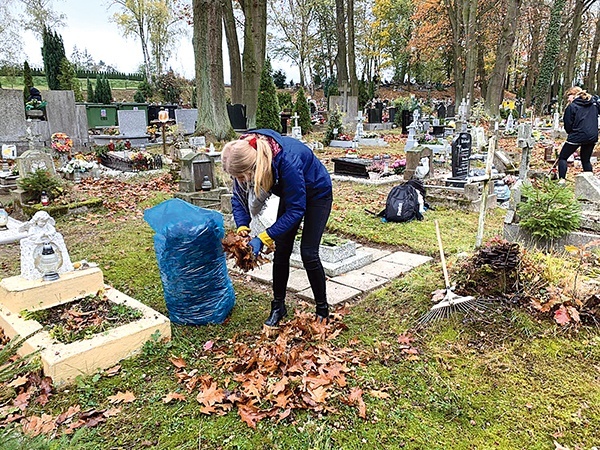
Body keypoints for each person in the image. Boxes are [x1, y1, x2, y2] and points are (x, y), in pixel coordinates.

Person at [222, 129, 333, 329]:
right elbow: (238, 198)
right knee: (282, 250)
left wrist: (263, 237)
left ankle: (322, 309)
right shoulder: (243, 153)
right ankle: (278, 306)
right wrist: (242, 226)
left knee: (308, 253)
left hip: (317, 193)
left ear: (254, 168)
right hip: (292, 194)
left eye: (242, 177)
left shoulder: (286, 161)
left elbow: (296, 210)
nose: (240, 181)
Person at [558, 87, 600, 184]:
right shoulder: (593, 104)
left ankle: (561, 181)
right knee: (585, 160)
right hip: (592, 136)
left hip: (577, 135)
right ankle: (590, 183)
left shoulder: (572, 106)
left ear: (574, 95)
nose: (568, 99)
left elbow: (568, 124)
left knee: (563, 157)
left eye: (569, 96)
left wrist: (572, 134)